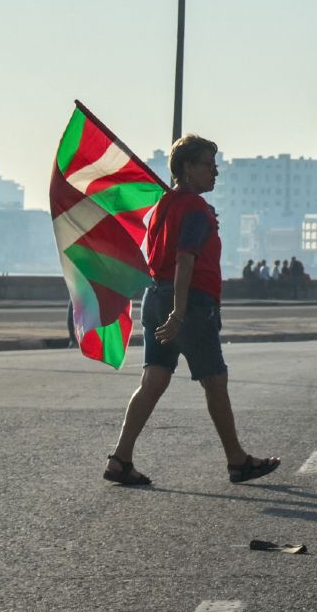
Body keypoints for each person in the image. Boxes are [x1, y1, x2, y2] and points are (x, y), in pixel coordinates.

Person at [103, 134, 279, 487]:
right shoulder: (195, 209)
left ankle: (121, 458)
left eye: (216, 166)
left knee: (153, 379)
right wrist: (180, 312)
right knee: (215, 380)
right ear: (186, 168)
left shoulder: (165, 207)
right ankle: (237, 461)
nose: (215, 173)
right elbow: (185, 259)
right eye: (208, 165)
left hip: (153, 298)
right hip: (189, 304)